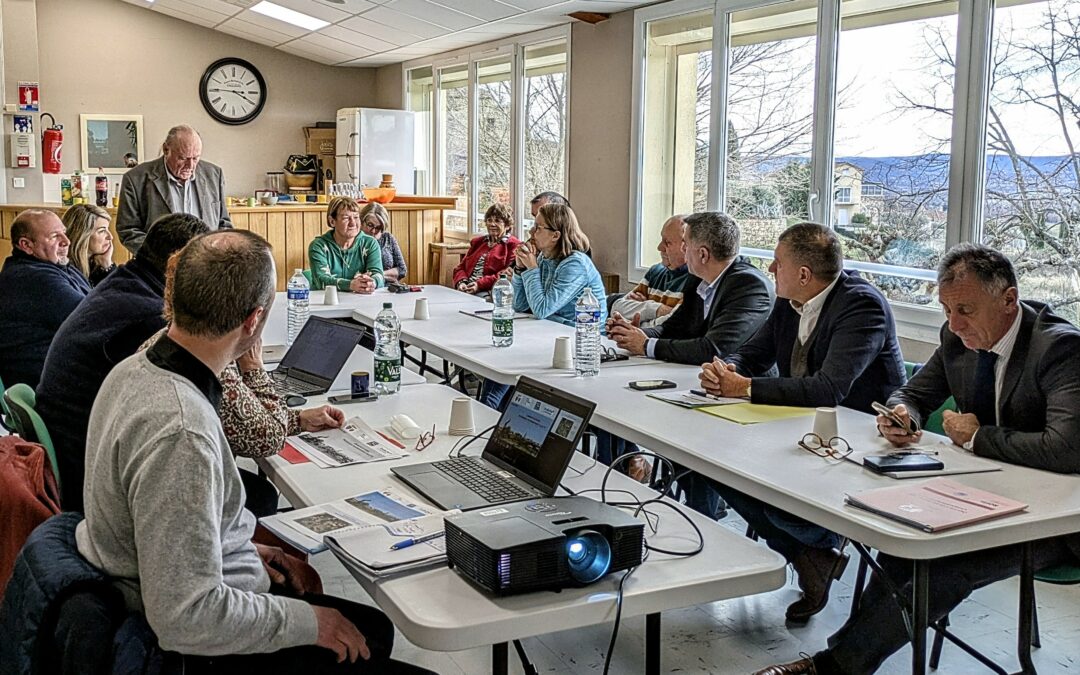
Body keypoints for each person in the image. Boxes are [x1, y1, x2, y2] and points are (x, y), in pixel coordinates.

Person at [77, 230, 430, 673]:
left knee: (372, 627)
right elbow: (185, 617)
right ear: (254, 321)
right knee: (369, 635)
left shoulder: (135, 369)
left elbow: (169, 530)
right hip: (186, 640)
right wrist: (307, 622)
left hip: (149, 581)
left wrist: (240, 548)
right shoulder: (182, 431)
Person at [755, 244, 1080, 675]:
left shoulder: (1060, 349)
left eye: (965, 309)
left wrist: (980, 436)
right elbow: (913, 392)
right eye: (946, 310)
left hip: (1057, 518)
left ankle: (832, 668)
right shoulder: (956, 337)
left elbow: (1066, 448)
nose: (954, 323)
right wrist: (903, 414)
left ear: (1008, 299)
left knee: (946, 565)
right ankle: (848, 659)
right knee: (901, 544)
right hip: (987, 492)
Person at [696, 222, 906, 625]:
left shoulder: (862, 305)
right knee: (713, 464)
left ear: (804, 274)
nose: (771, 269)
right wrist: (727, 370)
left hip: (862, 439)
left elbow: (829, 389)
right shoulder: (788, 302)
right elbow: (753, 354)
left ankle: (818, 542)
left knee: (762, 484)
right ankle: (811, 554)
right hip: (798, 427)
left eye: (778, 263)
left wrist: (744, 388)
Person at [139, 264, 347, 518]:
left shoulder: (168, 340)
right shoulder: (209, 363)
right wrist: (253, 367)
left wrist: (298, 419)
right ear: (252, 319)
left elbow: (244, 423)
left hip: (153, 497)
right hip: (179, 508)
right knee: (262, 495)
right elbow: (269, 439)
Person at [37, 213, 211, 511]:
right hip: (92, 470)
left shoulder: (128, 281)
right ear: (181, 262)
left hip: (76, 443)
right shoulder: (150, 315)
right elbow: (190, 406)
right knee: (247, 490)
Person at [480, 204, 606, 410]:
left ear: (555, 235)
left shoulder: (575, 264)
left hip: (581, 343)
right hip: (550, 333)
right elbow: (521, 305)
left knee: (506, 362)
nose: (531, 232)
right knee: (499, 358)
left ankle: (490, 410)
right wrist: (521, 270)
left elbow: (542, 309)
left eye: (538, 227)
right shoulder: (545, 259)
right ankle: (494, 409)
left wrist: (530, 269)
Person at [608, 212, 773, 365]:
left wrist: (645, 345)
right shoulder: (698, 278)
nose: (683, 251)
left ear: (703, 254)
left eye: (685, 246)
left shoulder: (749, 286)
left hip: (741, 384)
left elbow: (712, 349)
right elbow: (673, 327)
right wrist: (630, 334)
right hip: (696, 375)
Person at [0, 209, 91, 389]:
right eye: (54, 236)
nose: (67, 241)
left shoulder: (57, 265)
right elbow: (91, 319)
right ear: (26, 245)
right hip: (46, 386)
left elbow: (99, 302)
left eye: (64, 233)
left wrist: (107, 265)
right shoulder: (30, 278)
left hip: (63, 372)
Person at [116, 124, 232, 254]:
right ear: (166, 150)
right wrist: (159, 257)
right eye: (183, 158)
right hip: (157, 267)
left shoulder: (214, 175)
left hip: (206, 263)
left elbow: (224, 224)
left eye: (195, 158)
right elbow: (128, 230)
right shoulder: (135, 179)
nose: (191, 165)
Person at [609, 215, 691, 329]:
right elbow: (617, 308)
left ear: (687, 246)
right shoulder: (655, 272)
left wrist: (637, 320)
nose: (659, 247)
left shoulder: (694, 283)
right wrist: (655, 309)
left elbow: (671, 326)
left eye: (667, 242)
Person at [308, 196, 384, 293]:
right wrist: (350, 285)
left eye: (356, 217)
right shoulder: (318, 246)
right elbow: (321, 280)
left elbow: (379, 275)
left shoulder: (370, 243)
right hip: (326, 302)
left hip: (361, 301)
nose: (353, 223)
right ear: (332, 221)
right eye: (346, 218)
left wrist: (371, 283)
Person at [452, 202, 521, 295]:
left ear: (507, 225)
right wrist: (461, 282)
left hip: (489, 290)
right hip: (466, 287)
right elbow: (460, 268)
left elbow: (505, 274)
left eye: (497, 221)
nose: (492, 224)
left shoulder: (513, 245)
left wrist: (479, 285)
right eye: (489, 220)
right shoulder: (477, 242)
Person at [62, 203, 116, 286]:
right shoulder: (66, 271)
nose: (110, 237)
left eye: (107, 229)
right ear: (82, 235)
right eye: (102, 231)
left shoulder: (96, 265)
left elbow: (121, 294)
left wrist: (107, 264)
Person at [358, 202, 407, 282]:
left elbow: (402, 270)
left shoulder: (387, 238)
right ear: (361, 221)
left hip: (388, 289)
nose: (373, 231)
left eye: (378, 227)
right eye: (370, 225)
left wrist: (378, 276)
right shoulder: (353, 239)